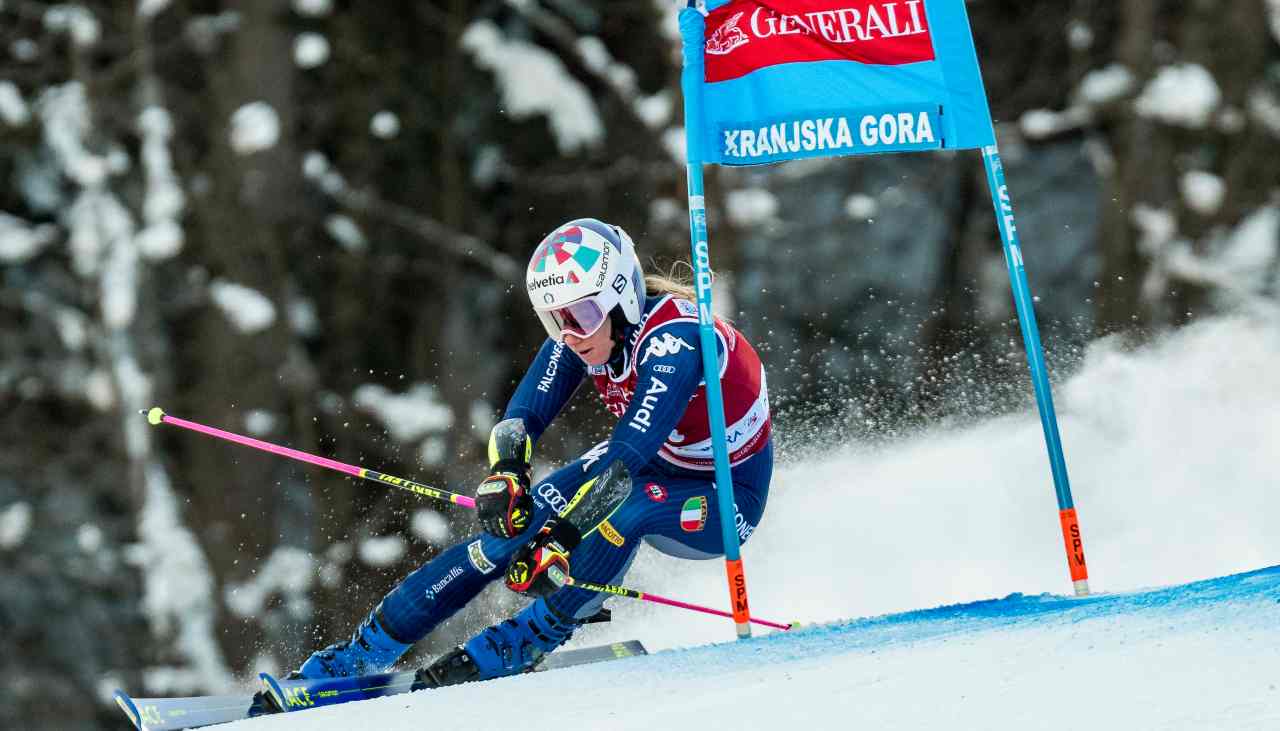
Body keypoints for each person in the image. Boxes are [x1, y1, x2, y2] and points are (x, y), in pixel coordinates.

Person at [290, 218, 773, 688]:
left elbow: (628, 454)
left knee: (625, 505)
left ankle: (530, 637)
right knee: (510, 530)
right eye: (554, 318)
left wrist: (561, 537)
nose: (570, 335)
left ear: (622, 298)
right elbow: (523, 416)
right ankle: (361, 653)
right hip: (650, 466)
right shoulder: (585, 333)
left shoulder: (678, 340)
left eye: (581, 316)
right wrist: (508, 473)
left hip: (724, 499)